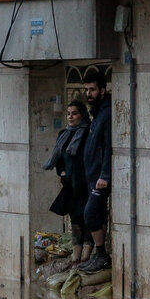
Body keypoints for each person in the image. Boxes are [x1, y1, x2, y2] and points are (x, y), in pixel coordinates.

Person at [43, 100, 94, 264]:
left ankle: (87, 254)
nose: (71, 117)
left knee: (89, 218)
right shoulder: (63, 134)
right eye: (69, 113)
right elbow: (59, 158)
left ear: (82, 114)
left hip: (86, 183)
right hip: (70, 184)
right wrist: (62, 172)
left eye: (75, 113)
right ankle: (76, 254)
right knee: (75, 219)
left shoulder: (88, 132)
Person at [77, 72, 112, 272]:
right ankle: (99, 256)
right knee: (97, 215)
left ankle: (101, 254)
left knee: (90, 214)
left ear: (102, 91)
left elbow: (108, 147)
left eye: (92, 89)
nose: (88, 93)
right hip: (92, 176)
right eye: (86, 89)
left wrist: (104, 175)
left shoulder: (106, 114)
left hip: (100, 177)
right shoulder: (97, 113)